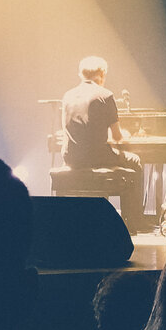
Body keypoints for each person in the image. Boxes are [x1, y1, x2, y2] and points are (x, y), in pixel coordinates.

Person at [61, 56, 145, 233]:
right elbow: (117, 137)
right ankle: (135, 222)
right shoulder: (105, 95)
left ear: (81, 74)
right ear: (102, 75)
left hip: (71, 157)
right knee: (135, 160)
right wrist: (125, 135)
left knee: (105, 155)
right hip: (96, 158)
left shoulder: (67, 95)